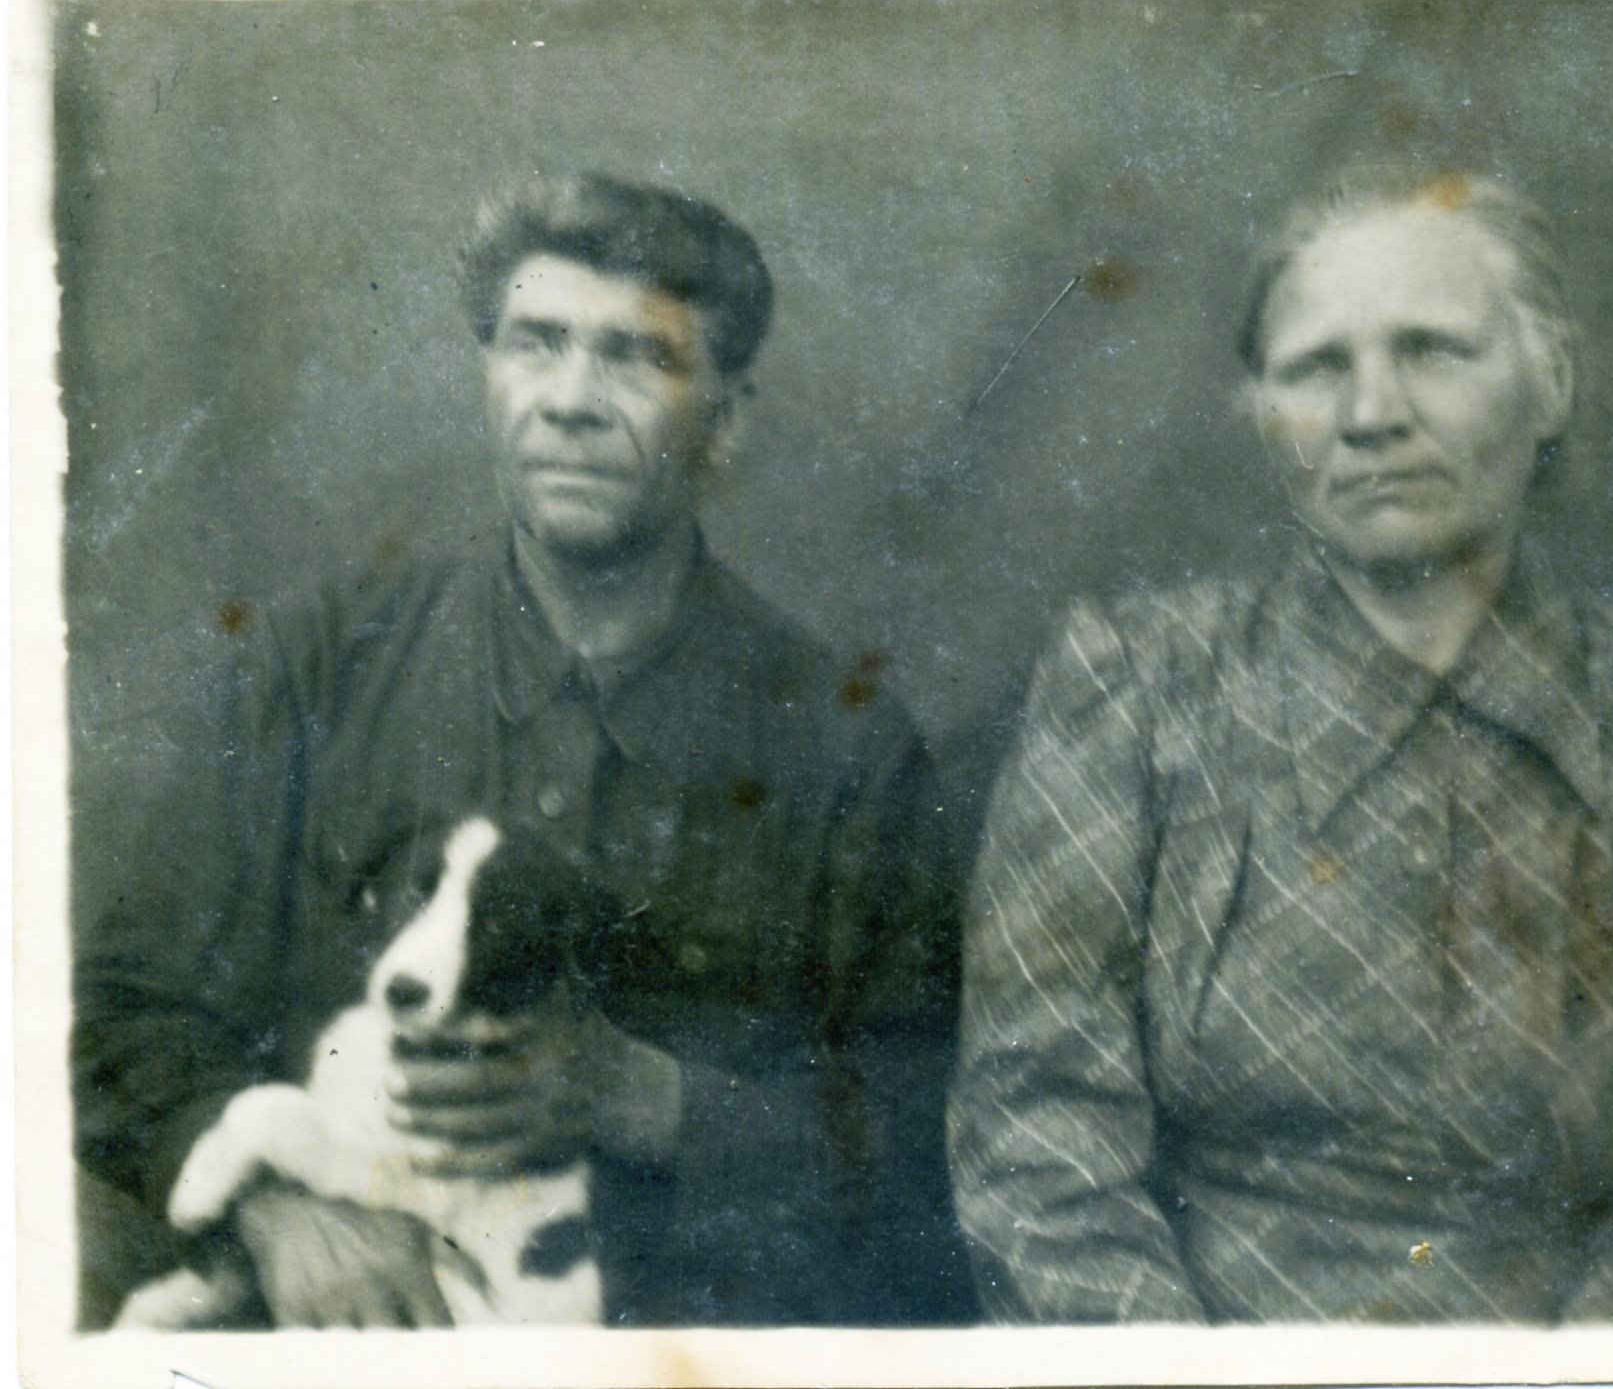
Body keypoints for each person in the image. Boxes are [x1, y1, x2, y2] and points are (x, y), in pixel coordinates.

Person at [73, 174, 974, 1328]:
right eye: (534, 343)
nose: (570, 401)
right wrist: (280, 1208)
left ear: (727, 418)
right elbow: (121, 1012)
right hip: (328, 1324)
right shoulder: (313, 667)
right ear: (488, 375)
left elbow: (929, 1131)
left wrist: (647, 1098)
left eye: (636, 357)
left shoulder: (844, 746)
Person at [947, 165, 1613, 1325]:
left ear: (1550, 380)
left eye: (1431, 350)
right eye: (1314, 368)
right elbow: (1038, 1134)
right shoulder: (1134, 689)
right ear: (1262, 409)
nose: (1370, 414)